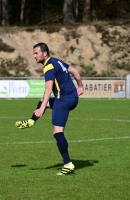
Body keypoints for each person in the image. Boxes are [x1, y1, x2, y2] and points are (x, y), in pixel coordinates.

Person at [15, 42, 84, 175]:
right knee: (43, 102)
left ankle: (68, 163)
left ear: (44, 53)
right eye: (33, 53)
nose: (34, 56)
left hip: (63, 100)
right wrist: (80, 87)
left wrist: (41, 110)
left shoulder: (49, 67)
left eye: (36, 53)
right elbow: (76, 71)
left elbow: (48, 89)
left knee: (57, 132)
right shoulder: (57, 61)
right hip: (73, 98)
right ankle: (31, 121)